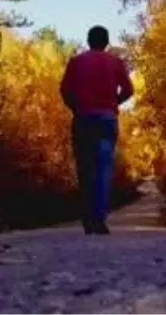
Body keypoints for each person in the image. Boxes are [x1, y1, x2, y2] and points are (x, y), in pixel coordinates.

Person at [59, 25, 134, 235]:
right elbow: (129, 90)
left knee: (84, 169)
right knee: (103, 169)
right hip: (106, 120)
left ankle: (87, 218)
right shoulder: (115, 62)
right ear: (106, 42)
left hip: (83, 119)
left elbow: (64, 90)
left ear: (88, 40)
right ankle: (99, 218)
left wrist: (76, 107)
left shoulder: (76, 62)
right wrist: (114, 103)